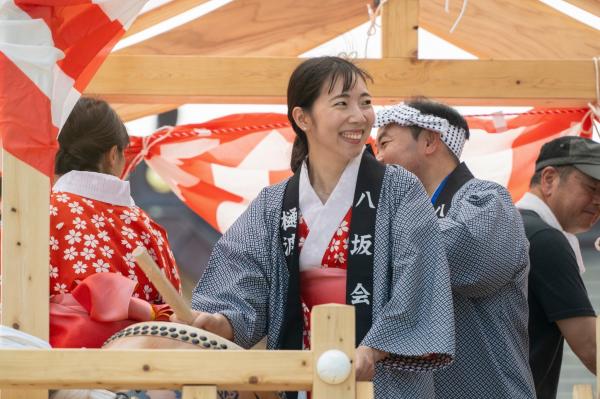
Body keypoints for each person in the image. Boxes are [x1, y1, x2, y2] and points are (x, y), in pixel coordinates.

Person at [176, 57, 455, 398]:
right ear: (302, 117)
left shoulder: (399, 190)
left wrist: (373, 348)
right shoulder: (273, 203)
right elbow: (241, 280)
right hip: (299, 374)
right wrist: (223, 322)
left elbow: (420, 279)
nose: (360, 115)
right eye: (342, 103)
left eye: (365, 103)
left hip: (379, 378)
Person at [375, 100, 535, 398]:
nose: (379, 157)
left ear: (428, 141)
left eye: (384, 143)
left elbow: (471, 257)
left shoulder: (487, 200)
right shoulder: (397, 217)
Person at [49, 97, 181, 348]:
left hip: (44, 374)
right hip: (138, 373)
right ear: (112, 155)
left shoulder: (35, 215)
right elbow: (174, 311)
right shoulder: (145, 227)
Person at [516, 136, 598, 398]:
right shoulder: (545, 240)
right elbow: (594, 350)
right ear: (549, 179)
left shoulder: (512, 226)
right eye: (592, 187)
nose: (599, 200)